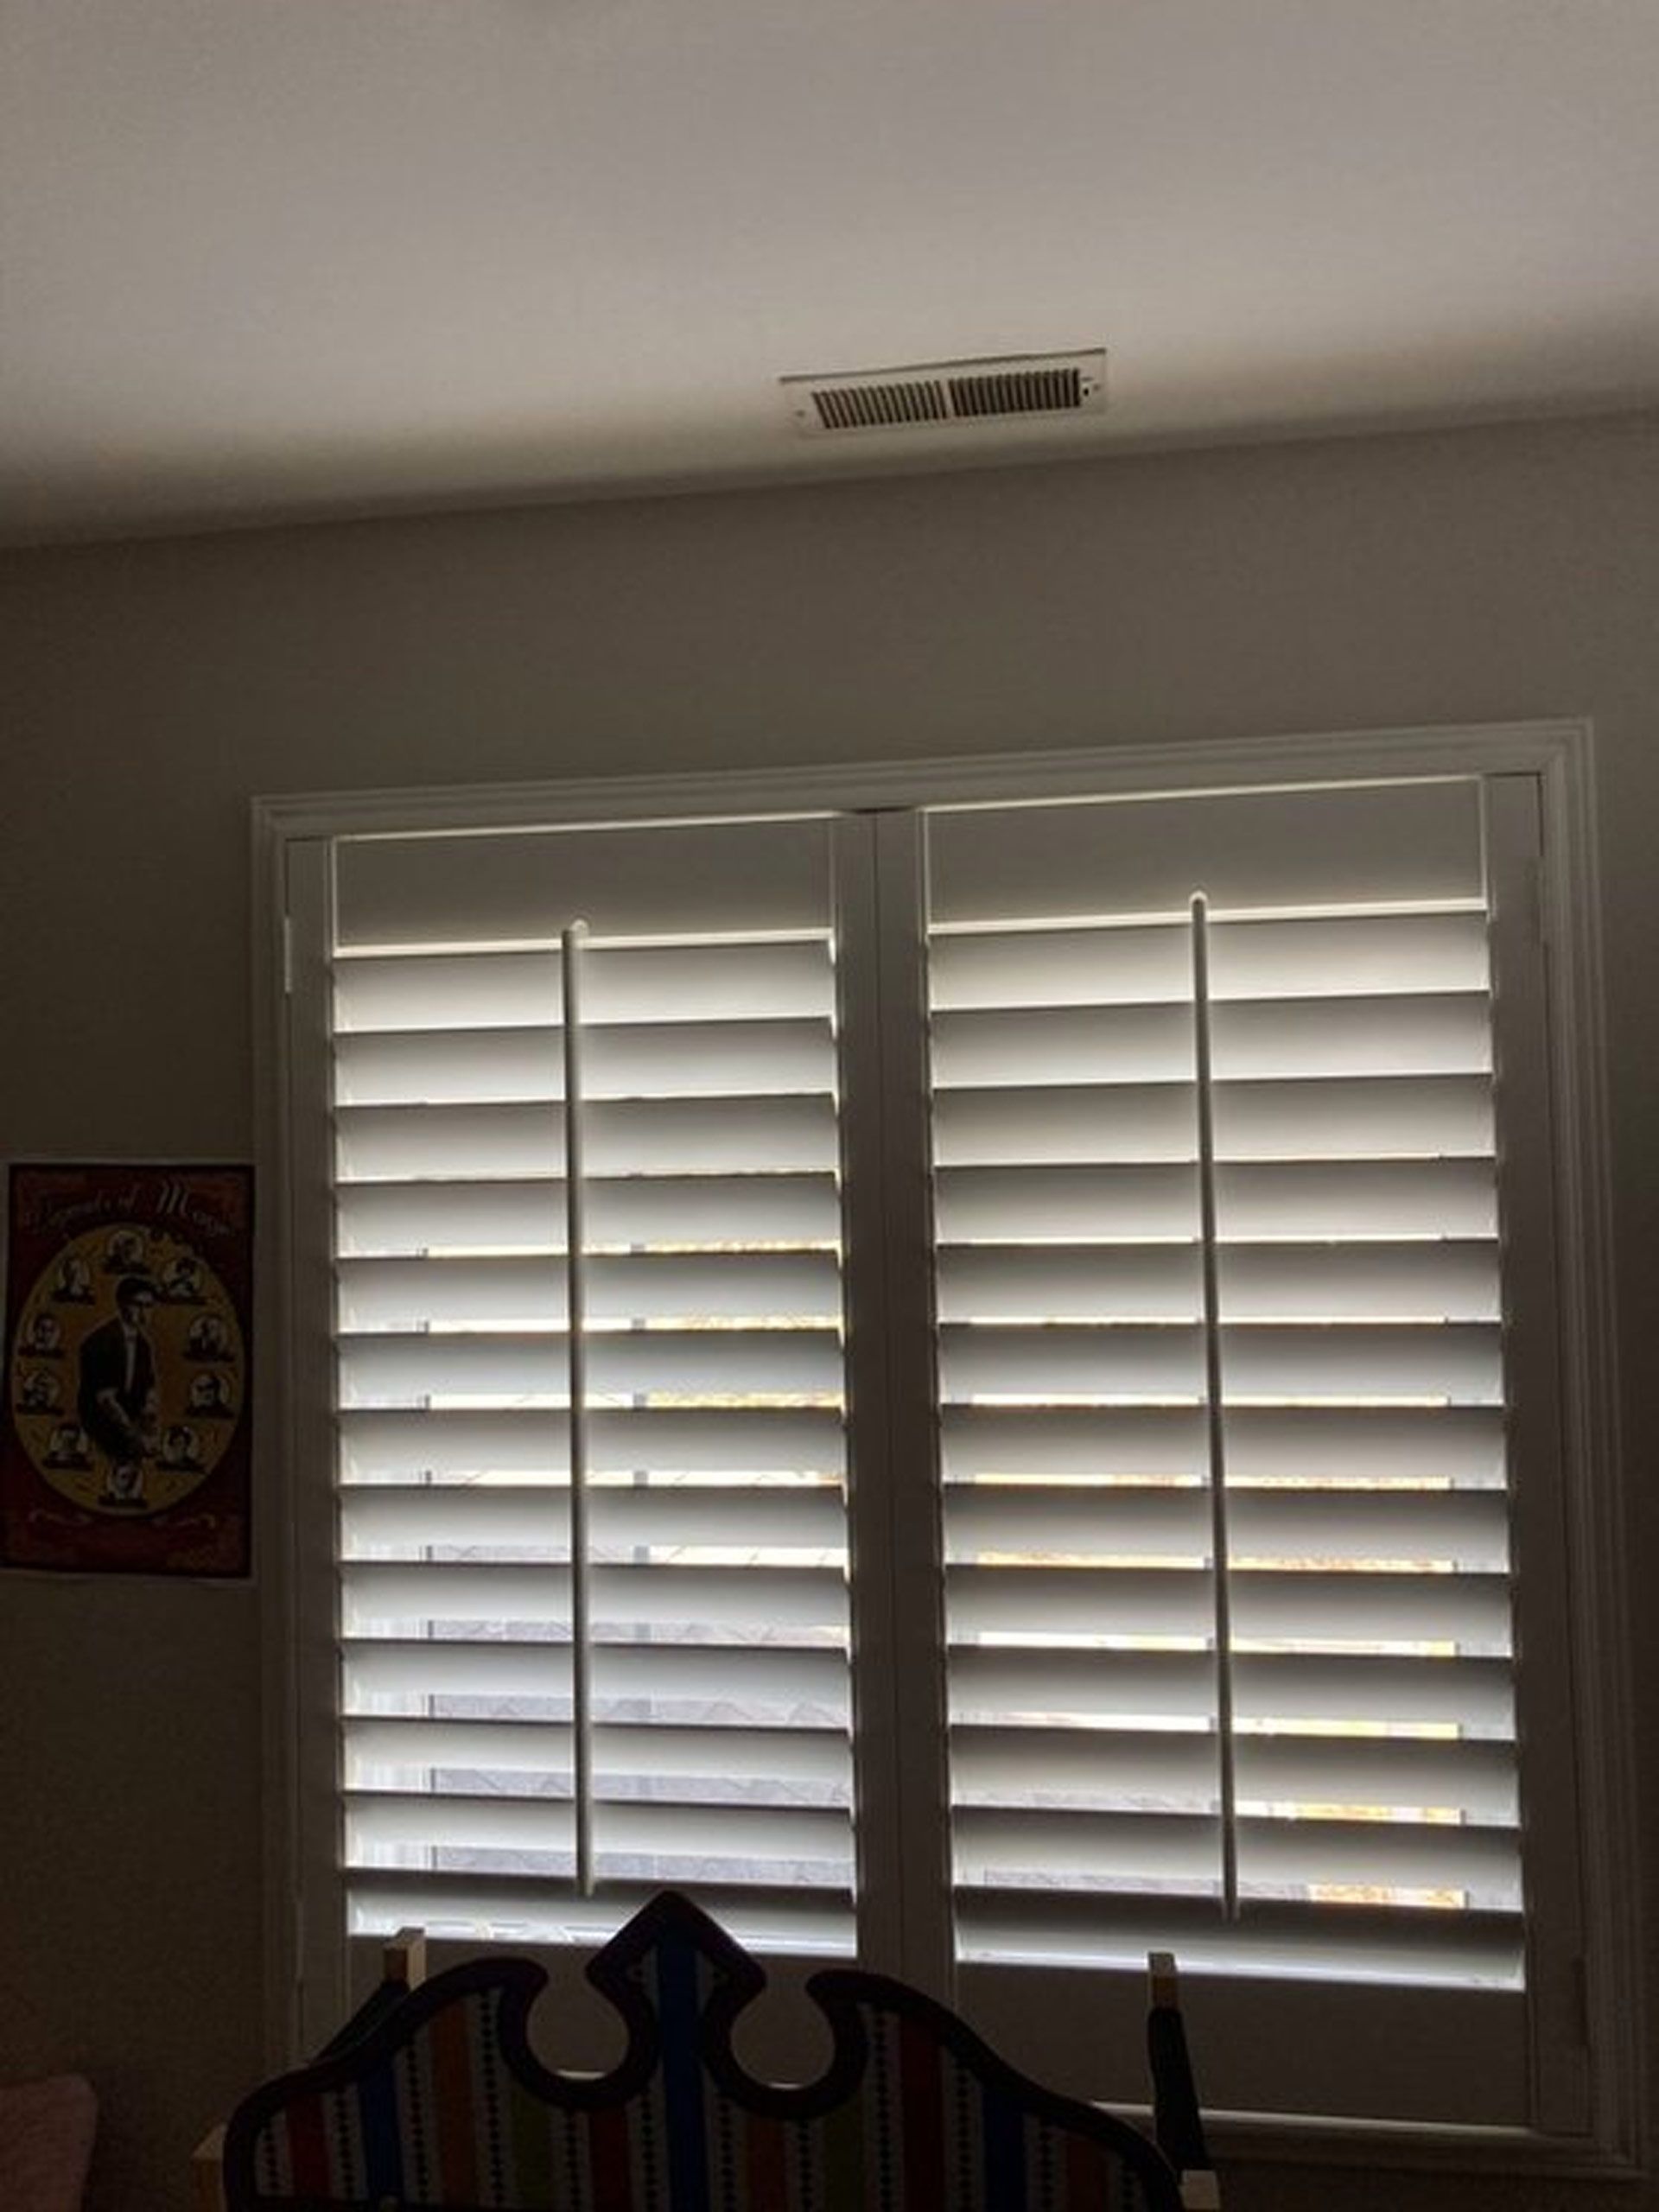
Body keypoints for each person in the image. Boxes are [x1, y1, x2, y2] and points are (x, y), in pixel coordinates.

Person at [77, 1276, 159, 1507]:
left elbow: (149, 1389)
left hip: (129, 1421)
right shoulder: (100, 1342)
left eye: (149, 1306)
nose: (145, 1313)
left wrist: (150, 1425)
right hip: (100, 1422)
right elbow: (105, 1401)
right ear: (122, 1305)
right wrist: (135, 1436)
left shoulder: (143, 1345)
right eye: (138, 1305)